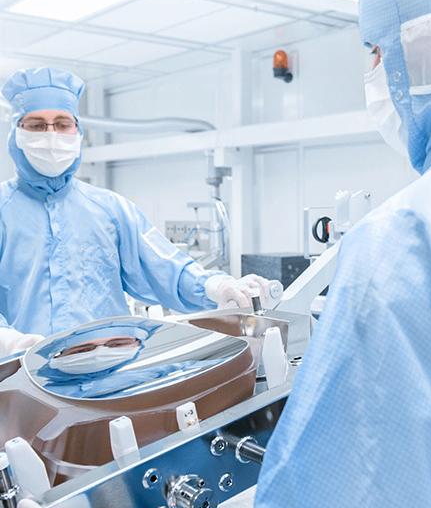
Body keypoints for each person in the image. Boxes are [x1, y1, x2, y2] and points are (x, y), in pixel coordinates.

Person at [10, 0, 431, 508]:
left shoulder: (411, 243)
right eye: (38, 124)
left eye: (375, 51)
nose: (372, 72)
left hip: (107, 411)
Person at [0, 67, 271, 357]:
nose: (51, 135)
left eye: (62, 123)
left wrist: (215, 285)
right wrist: (8, 341)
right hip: (23, 374)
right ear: (17, 132)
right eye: (37, 125)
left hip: (109, 369)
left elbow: (165, 268)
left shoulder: (111, 209)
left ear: (77, 131)